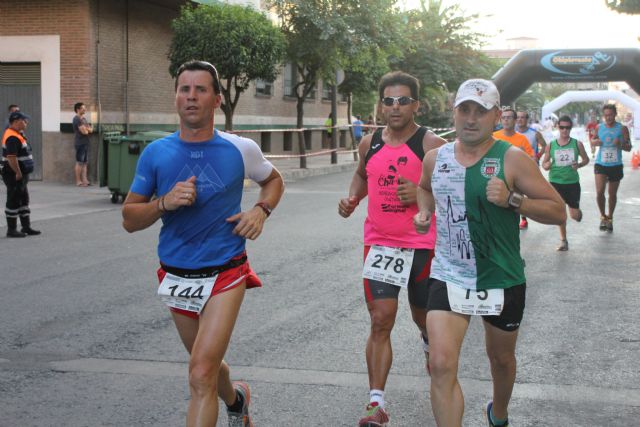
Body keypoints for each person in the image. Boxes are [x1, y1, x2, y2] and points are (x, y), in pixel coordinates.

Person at [121, 60, 285, 427]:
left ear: (217, 100)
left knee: (199, 372)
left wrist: (261, 210)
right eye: (184, 89)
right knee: (205, 365)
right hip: (177, 274)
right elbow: (130, 219)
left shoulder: (239, 148)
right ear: (176, 97)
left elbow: (274, 180)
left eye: (201, 90)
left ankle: (229, 398)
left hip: (226, 272)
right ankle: (236, 398)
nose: (191, 97)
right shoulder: (156, 153)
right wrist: (163, 202)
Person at [413, 79, 565, 427]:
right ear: (454, 112)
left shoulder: (512, 159)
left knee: (501, 360)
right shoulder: (436, 158)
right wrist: (424, 213)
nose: (470, 118)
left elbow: (557, 211)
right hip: (449, 274)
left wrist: (515, 200)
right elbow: (425, 188)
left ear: (496, 116)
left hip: (500, 276)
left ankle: (499, 413)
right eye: (464, 109)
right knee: (440, 363)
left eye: (480, 112)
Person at [338, 71, 447, 427]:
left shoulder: (430, 145)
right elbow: (361, 173)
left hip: (422, 246)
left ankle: (429, 343)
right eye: (388, 100)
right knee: (380, 320)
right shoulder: (369, 143)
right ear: (380, 105)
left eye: (403, 100)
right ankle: (375, 403)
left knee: (422, 318)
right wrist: (354, 197)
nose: (395, 107)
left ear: (416, 104)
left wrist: (419, 194)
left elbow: (452, 193)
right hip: (381, 244)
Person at [541, 116, 590, 251]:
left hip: (572, 183)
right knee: (560, 213)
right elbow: (544, 163)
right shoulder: (551, 145)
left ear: (570, 128)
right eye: (562, 127)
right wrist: (547, 165)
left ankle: (577, 211)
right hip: (555, 182)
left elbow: (586, 160)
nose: (564, 130)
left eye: (567, 128)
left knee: (575, 216)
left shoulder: (577, 144)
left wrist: (578, 165)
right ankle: (563, 240)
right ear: (558, 127)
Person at [590, 104, 632, 232]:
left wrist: (620, 144)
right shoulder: (599, 127)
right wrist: (595, 142)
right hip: (601, 163)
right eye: (606, 115)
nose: (608, 118)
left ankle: (610, 218)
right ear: (603, 116)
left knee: (612, 194)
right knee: (599, 191)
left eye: (610, 115)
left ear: (615, 115)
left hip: (615, 165)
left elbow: (629, 147)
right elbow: (593, 141)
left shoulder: (622, 129)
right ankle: (603, 216)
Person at [493, 108, 535, 229]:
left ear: (515, 120)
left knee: (512, 212)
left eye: (509, 117)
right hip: (497, 179)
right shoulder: (493, 137)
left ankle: (516, 225)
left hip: (516, 183)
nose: (506, 120)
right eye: (503, 118)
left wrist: (523, 155)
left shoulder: (522, 139)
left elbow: (532, 159)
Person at [2, 111, 41, 238]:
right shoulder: (12, 137)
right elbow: (11, 157)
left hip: (21, 174)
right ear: (16, 122)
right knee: (13, 200)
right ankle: (11, 230)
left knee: (23, 199)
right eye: (24, 120)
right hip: (13, 173)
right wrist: (18, 172)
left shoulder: (18, 134)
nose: (26, 122)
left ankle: (26, 227)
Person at [72, 102, 93, 186]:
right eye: (83, 108)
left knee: (85, 163)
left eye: (85, 108)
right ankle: (78, 181)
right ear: (78, 109)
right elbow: (84, 132)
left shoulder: (83, 119)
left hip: (85, 143)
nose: (85, 109)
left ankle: (85, 181)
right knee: (79, 162)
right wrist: (87, 129)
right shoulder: (77, 119)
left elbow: (90, 130)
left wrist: (87, 129)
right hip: (80, 143)